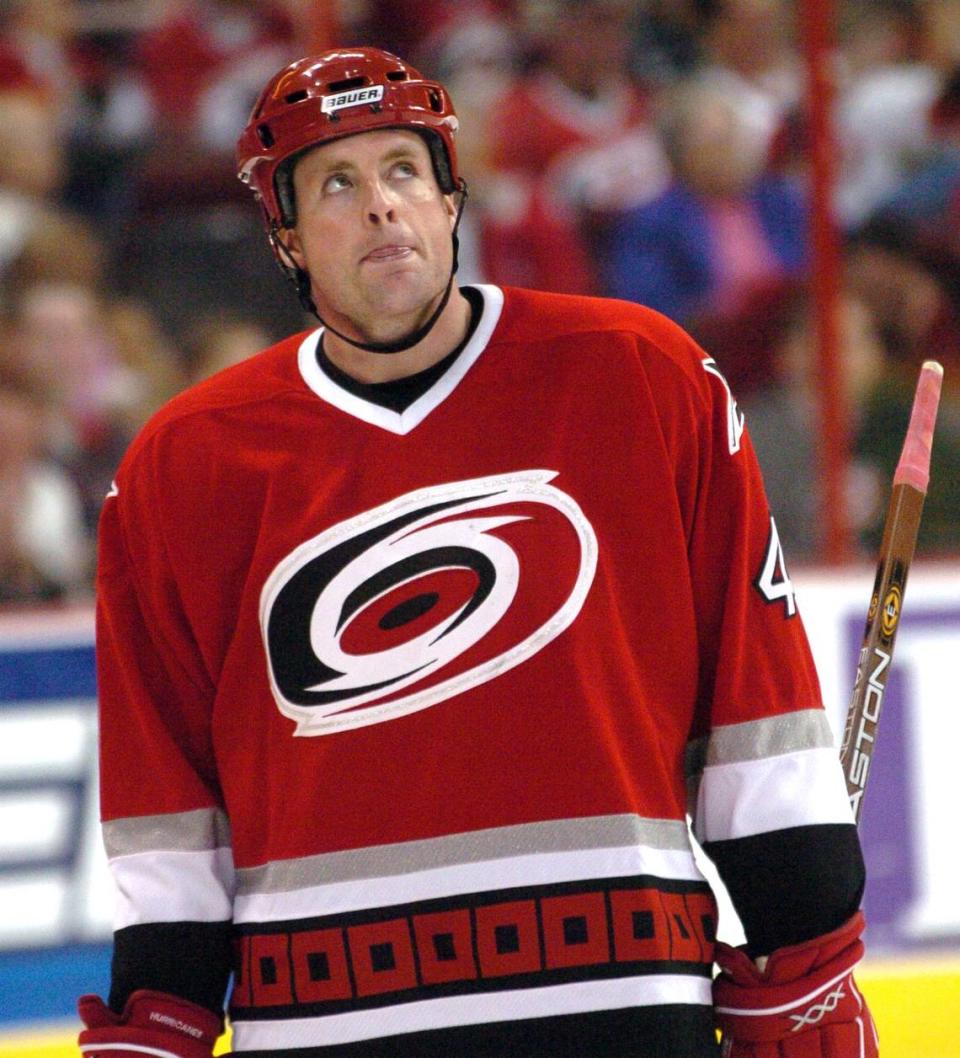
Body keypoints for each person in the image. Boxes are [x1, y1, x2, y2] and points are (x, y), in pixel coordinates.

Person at [77, 47, 878, 1058]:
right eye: (336, 182)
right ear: (285, 239)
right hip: (329, 1024)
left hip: (622, 1001)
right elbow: (169, 795)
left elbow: (754, 702)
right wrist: (161, 1009)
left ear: (453, 198)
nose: (380, 207)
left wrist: (806, 940)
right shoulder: (185, 464)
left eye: (404, 170)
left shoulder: (641, 378)